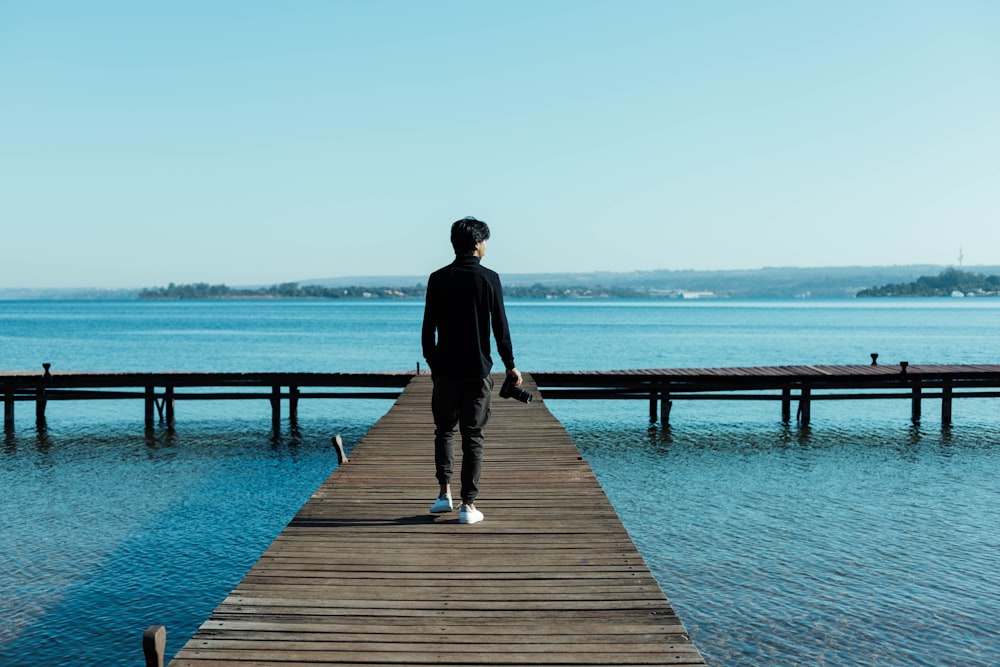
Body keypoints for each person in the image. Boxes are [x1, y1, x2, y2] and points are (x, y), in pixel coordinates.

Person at [421, 216, 522, 524]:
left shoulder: (438, 278)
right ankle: (468, 506)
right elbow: (500, 329)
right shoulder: (489, 278)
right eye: (485, 242)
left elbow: (428, 332)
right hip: (477, 371)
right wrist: (510, 366)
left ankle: (443, 496)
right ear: (478, 244)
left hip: (446, 372)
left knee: (444, 432)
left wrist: (435, 366)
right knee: (473, 436)